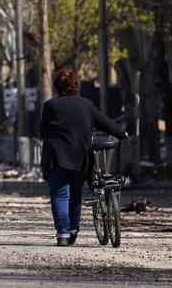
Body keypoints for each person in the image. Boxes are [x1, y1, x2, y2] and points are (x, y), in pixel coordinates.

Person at [40, 68, 127, 247]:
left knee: (59, 195)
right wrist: (121, 133)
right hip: (80, 157)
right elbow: (104, 122)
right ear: (75, 86)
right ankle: (73, 229)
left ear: (57, 86)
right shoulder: (86, 104)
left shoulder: (50, 106)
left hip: (56, 157)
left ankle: (63, 234)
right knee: (75, 194)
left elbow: (42, 131)